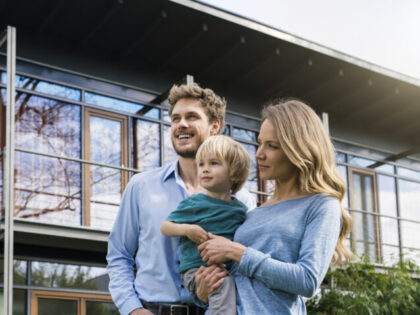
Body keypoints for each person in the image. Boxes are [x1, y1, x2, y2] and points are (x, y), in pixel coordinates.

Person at [106, 83, 256, 315]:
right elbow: (119, 255)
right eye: (176, 119)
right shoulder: (141, 186)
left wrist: (207, 293)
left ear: (214, 126)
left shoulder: (242, 200)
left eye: (191, 117)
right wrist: (132, 309)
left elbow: (244, 264)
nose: (181, 124)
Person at [196, 98, 353, 314]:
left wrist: (237, 252)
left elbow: (307, 280)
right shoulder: (253, 212)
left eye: (272, 146)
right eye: (260, 142)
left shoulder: (322, 205)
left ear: (298, 149)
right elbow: (237, 281)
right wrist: (204, 290)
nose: (259, 153)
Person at [161, 135, 250, 315]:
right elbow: (165, 226)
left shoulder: (241, 210)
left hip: (228, 268)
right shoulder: (194, 203)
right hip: (196, 270)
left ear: (235, 172)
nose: (205, 170)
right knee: (222, 284)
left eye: (214, 163)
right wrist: (187, 229)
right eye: (201, 164)